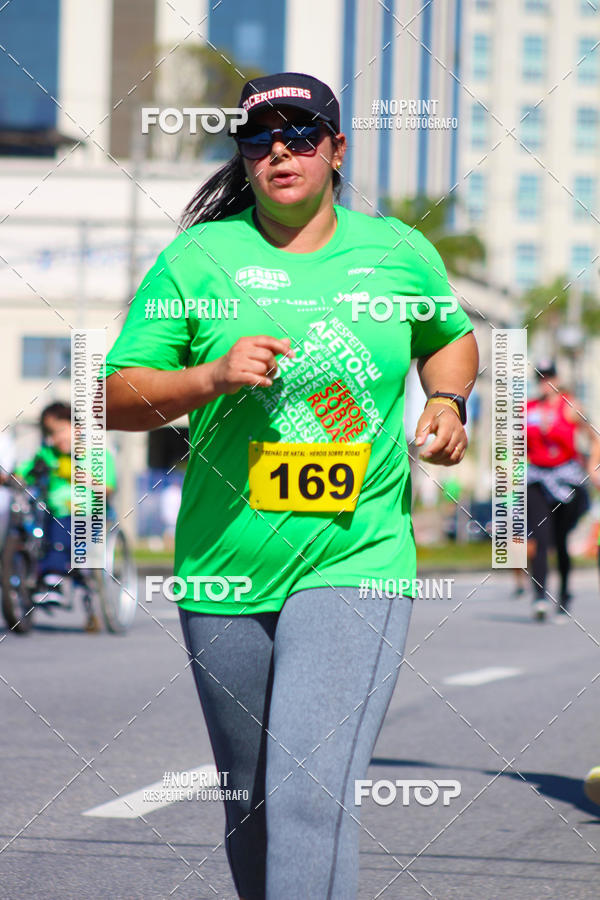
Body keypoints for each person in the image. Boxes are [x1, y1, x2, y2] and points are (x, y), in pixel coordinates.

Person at [104, 72, 478, 900]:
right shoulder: (199, 258)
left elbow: (450, 334)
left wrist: (449, 401)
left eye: (300, 133)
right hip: (223, 566)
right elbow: (115, 395)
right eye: (259, 136)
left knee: (310, 794)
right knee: (253, 803)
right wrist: (207, 376)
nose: (279, 150)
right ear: (242, 152)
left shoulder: (398, 253)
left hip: (356, 558)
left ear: (336, 150)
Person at [6, 402, 117, 630]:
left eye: (59, 431)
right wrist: (14, 477)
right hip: (54, 512)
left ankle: (53, 578)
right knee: (38, 520)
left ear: (76, 428)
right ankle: (35, 573)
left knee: (63, 527)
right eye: (50, 434)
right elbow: (25, 470)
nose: (55, 438)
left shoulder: (97, 454)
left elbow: (109, 488)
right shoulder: (47, 454)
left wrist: (90, 481)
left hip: (86, 514)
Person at [526, 362, 600, 622]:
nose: (545, 382)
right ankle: (539, 597)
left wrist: (592, 466)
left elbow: (594, 437)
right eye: (540, 378)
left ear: (557, 379)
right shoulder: (528, 409)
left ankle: (565, 593)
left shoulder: (571, 407)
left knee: (559, 541)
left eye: (549, 377)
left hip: (566, 479)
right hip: (536, 477)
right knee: (540, 537)